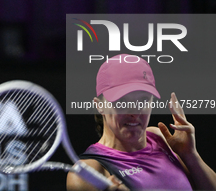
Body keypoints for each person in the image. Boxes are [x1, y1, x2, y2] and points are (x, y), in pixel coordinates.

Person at [67, 54, 216, 191]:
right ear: (99, 105)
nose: (135, 112)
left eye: (143, 100)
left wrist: (190, 156)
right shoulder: (86, 173)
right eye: (122, 101)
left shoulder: (159, 138)